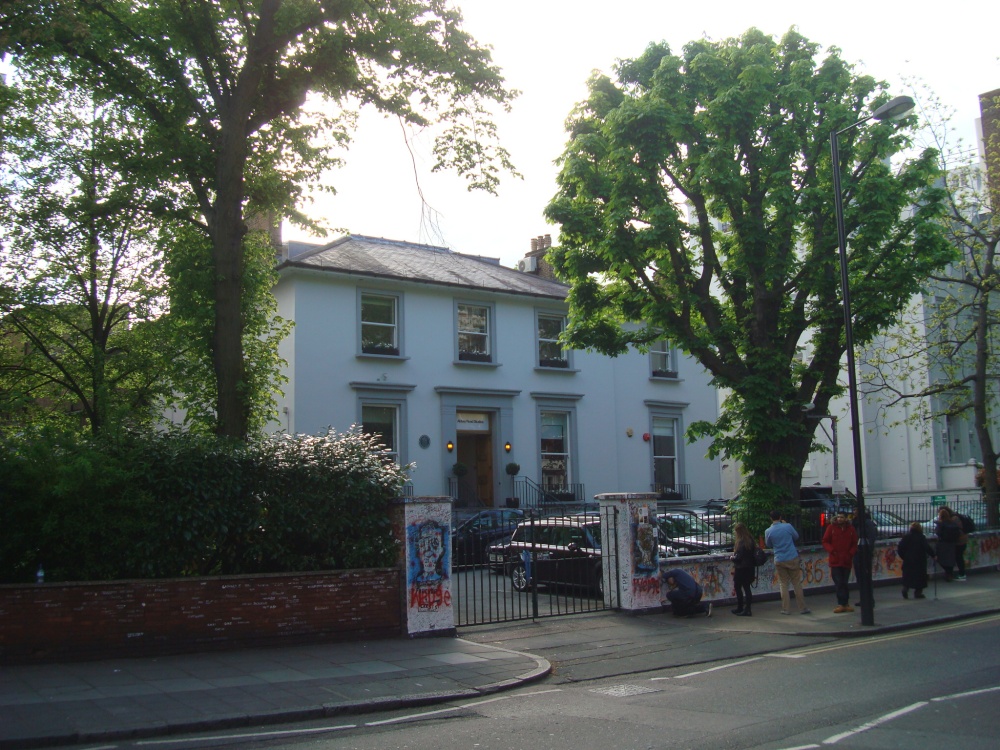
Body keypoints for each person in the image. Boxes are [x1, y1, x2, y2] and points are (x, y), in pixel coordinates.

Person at [764, 510, 811, 615]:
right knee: (796, 583)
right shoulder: (788, 526)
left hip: (779, 558)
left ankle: (786, 609)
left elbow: (768, 544)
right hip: (792, 556)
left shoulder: (768, 531)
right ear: (780, 517)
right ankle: (802, 608)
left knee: (783, 584)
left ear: (770, 518)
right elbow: (796, 536)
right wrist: (786, 524)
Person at [822, 512, 858, 613]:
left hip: (846, 560)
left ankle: (845, 603)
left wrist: (850, 553)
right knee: (839, 582)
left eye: (841, 517)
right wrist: (832, 551)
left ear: (845, 518)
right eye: (838, 517)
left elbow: (854, 543)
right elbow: (825, 541)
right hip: (835, 560)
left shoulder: (851, 529)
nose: (839, 519)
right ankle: (841, 603)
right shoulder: (831, 528)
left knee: (844, 582)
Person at [896, 522, 936, 599]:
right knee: (920, 577)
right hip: (920, 559)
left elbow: (900, 547)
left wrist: (904, 556)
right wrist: (933, 555)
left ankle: (905, 588)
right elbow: (926, 547)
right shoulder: (921, 537)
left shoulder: (906, 537)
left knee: (908, 575)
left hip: (908, 559)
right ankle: (918, 593)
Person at [729, 522, 757, 617]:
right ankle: (747, 608)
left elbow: (739, 557)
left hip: (741, 568)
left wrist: (732, 558)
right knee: (747, 588)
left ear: (738, 532)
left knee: (738, 587)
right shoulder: (750, 540)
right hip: (750, 568)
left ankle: (740, 607)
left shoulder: (741, 542)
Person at [852, 511, 877, 610]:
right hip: (857, 553)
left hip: (864, 554)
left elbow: (871, 538)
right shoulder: (856, 523)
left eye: (855, 511)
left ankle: (869, 599)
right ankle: (864, 598)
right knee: (860, 578)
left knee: (866, 577)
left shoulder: (867, 523)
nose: (853, 513)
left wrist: (868, 551)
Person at [933, 507, 961, 582]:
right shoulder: (953, 523)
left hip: (943, 543)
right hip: (952, 543)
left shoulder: (941, 524)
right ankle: (950, 574)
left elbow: (938, 533)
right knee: (950, 559)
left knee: (941, 559)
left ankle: (947, 573)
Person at [950, 509, 970, 581]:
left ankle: (962, 574)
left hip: (959, 541)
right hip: (963, 540)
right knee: (959, 557)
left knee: (959, 557)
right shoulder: (957, 517)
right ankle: (962, 573)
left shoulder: (954, 519)